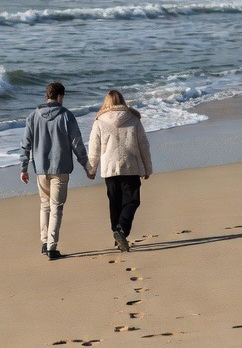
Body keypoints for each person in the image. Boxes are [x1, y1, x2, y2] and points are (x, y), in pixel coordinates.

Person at [20, 81, 90, 260]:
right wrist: (86, 165)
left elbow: (25, 144)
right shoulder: (66, 116)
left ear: (47, 96)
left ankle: (44, 242)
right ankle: (51, 247)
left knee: (45, 205)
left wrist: (24, 168)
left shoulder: (33, 116)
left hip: (41, 168)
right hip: (60, 168)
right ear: (60, 97)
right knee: (56, 207)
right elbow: (77, 144)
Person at [87, 89, 153, 253]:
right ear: (122, 101)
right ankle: (121, 230)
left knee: (114, 203)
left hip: (110, 169)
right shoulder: (133, 118)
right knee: (132, 201)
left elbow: (94, 148)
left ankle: (117, 233)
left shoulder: (99, 121)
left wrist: (91, 168)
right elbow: (143, 144)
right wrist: (147, 167)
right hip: (130, 166)